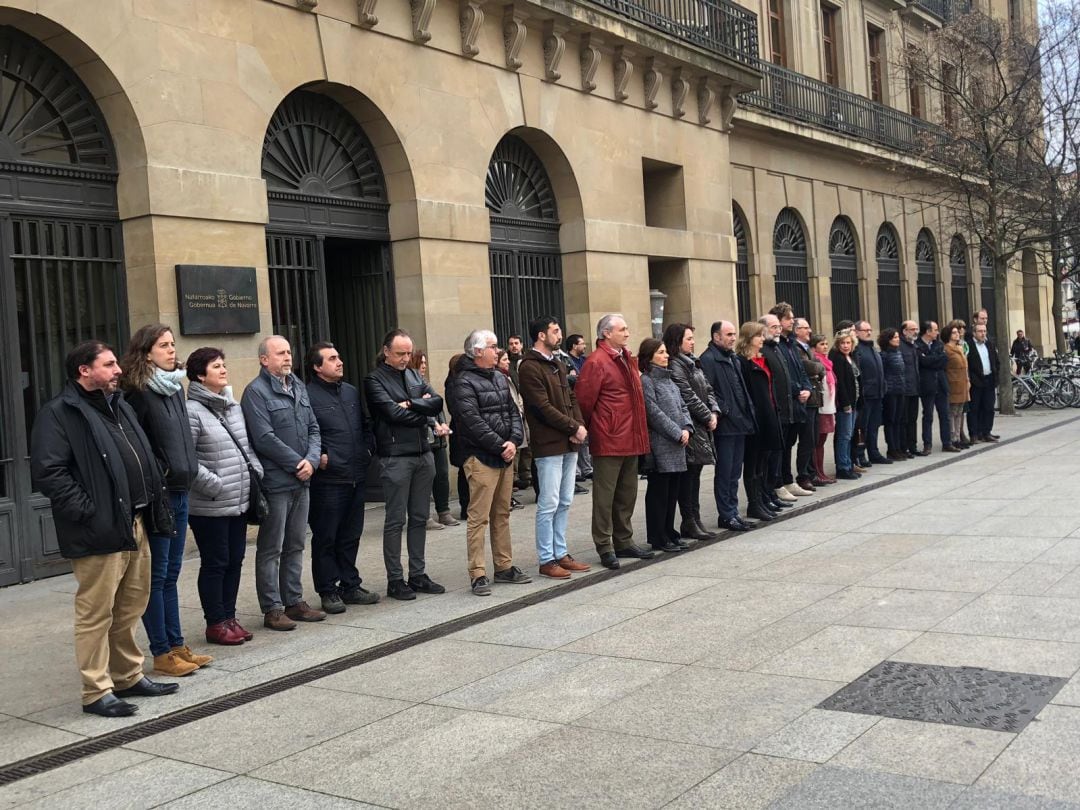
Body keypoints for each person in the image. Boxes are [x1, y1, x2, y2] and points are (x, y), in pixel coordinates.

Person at [31, 340, 178, 718]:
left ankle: (128, 674)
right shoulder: (60, 413)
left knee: (130, 605)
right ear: (84, 370)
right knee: (96, 611)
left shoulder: (119, 405)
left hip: (136, 522)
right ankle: (96, 690)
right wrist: (90, 512)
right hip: (99, 528)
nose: (118, 370)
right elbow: (49, 472)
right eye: (109, 364)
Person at [119, 324, 208, 677]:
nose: (172, 351)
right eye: (163, 345)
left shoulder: (174, 387)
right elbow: (136, 445)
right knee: (156, 576)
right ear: (145, 352)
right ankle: (160, 651)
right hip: (161, 494)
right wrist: (163, 472)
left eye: (173, 344)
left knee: (172, 572)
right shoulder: (137, 392)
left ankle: (176, 644)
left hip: (182, 488)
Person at [242, 335, 325, 630]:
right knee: (271, 547)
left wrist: (312, 461)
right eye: (280, 353)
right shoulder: (256, 392)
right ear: (265, 359)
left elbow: (314, 428)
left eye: (289, 352)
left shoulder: (298, 386)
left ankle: (294, 600)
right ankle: (272, 608)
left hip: (302, 480)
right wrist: (296, 463)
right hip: (277, 482)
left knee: (296, 543)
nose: (288, 357)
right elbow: (264, 438)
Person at [365, 329, 448, 601]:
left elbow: (436, 403)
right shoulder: (374, 380)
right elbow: (390, 414)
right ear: (386, 351)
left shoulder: (413, 375)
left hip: (423, 453)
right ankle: (395, 578)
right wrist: (421, 414)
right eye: (400, 353)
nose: (405, 358)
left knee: (420, 517)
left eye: (408, 353)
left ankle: (418, 574)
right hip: (395, 455)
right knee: (395, 520)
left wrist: (412, 404)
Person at [186, 347, 261, 646]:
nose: (223, 370)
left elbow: (246, 445)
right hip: (210, 505)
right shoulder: (192, 411)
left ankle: (230, 617)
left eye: (223, 364)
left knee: (235, 560)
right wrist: (216, 485)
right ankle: (215, 622)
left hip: (239, 501)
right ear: (200, 375)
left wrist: (255, 471)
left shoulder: (232, 405)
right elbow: (188, 462)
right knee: (215, 562)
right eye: (216, 366)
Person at [450, 330, 529, 595]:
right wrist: (499, 445)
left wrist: (514, 441)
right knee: (478, 517)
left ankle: (504, 566)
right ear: (477, 351)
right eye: (493, 347)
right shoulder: (462, 382)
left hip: (505, 454)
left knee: (502, 514)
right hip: (482, 457)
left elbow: (513, 412)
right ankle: (478, 572)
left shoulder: (499, 377)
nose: (498, 352)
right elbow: (471, 421)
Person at [304, 342, 380, 615]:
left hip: (356, 475)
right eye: (332, 359)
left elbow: (366, 425)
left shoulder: (349, 391)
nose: (339, 362)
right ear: (316, 366)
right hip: (328, 480)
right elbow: (305, 433)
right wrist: (322, 455)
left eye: (339, 357)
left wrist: (368, 450)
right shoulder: (308, 395)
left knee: (351, 535)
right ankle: (328, 589)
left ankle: (350, 584)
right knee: (326, 537)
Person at [575, 313, 654, 569]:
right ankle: (604, 545)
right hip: (610, 437)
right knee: (605, 497)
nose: (628, 333)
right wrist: (591, 430)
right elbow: (584, 402)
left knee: (626, 494)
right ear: (607, 333)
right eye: (622, 329)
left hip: (630, 435)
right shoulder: (597, 362)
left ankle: (624, 540)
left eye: (627, 328)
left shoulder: (625, 359)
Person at [518, 316, 592, 579]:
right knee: (548, 503)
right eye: (555, 330)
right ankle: (546, 558)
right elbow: (542, 407)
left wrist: (579, 426)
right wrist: (573, 428)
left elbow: (571, 398)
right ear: (541, 335)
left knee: (564, 501)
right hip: (549, 443)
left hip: (568, 441)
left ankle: (561, 552)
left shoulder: (558, 363)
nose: (560, 334)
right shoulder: (528, 367)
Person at [664, 323, 719, 542]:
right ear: (677, 341)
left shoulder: (693, 362)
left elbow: (708, 388)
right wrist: (707, 416)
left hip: (703, 424)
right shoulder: (676, 364)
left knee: (695, 474)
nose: (693, 341)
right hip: (691, 425)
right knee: (688, 476)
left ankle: (695, 519)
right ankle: (689, 520)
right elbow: (687, 394)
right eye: (688, 338)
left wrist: (714, 411)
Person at [700, 320, 756, 531]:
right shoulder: (708, 359)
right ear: (716, 337)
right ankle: (726, 515)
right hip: (726, 425)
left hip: (740, 422)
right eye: (729, 334)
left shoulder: (733, 358)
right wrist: (727, 411)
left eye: (734, 334)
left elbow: (740, 389)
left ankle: (733, 512)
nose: (733, 338)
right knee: (725, 472)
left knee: (734, 472)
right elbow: (709, 392)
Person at [640, 338, 693, 552]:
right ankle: (657, 535)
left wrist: (687, 428)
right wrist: (676, 432)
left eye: (665, 352)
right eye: (661, 353)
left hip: (679, 441)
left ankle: (669, 530)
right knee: (659, 493)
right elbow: (653, 412)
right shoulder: (647, 380)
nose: (666, 356)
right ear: (650, 356)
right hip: (662, 443)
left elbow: (683, 407)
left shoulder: (669, 380)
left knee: (673, 492)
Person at [737, 322, 783, 520]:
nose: (762, 340)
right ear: (749, 338)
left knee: (764, 461)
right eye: (759, 336)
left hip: (769, 415)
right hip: (755, 419)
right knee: (753, 462)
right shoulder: (742, 363)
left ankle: (762, 498)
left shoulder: (762, 360)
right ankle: (753, 503)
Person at [408, 349, 459, 529]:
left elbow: (437, 405)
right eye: (420, 363)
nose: (424, 367)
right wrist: (434, 423)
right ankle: (424, 516)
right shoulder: (410, 385)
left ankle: (443, 511)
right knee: (425, 479)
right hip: (424, 437)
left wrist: (442, 425)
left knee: (442, 475)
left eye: (425, 363)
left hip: (438, 437)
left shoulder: (425, 384)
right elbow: (420, 409)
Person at [770, 304, 814, 496]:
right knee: (781, 445)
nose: (792, 322)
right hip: (786, 402)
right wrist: (798, 390)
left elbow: (800, 370)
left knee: (789, 443)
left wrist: (807, 388)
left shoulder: (791, 344)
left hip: (797, 403)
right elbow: (782, 376)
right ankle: (778, 481)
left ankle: (788, 479)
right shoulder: (777, 345)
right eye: (788, 318)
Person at [759, 313, 799, 510]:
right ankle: (767, 492)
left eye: (778, 327)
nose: (778, 330)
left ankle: (771, 492)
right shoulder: (764, 351)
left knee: (777, 455)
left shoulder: (777, 349)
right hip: (773, 413)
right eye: (774, 327)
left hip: (784, 410)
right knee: (768, 458)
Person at [793, 317, 824, 491]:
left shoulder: (806, 348)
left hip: (814, 397)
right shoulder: (795, 348)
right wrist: (818, 366)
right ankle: (803, 475)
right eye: (805, 328)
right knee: (806, 439)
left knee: (813, 438)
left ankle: (811, 472)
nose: (809, 331)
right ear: (797, 330)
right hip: (806, 400)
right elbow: (808, 367)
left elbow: (817, 369)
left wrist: (817, 367)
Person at [853, 320, 889, 466]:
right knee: (863, 426)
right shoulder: (857, 349)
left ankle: (874, 452)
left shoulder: (872, 348)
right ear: (856, 332)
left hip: (878, 393)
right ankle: (861, 455)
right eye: (865, 330)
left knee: (874, 426)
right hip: (866, 395)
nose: (868, 332)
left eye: (869, 330)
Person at [915, 321, 953, 455]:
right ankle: (927, 444)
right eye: (935, 330)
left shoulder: (939, 344)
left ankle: (947, 442)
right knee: (928, 415)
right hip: (927, 385)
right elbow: (922, 362)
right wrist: (933, 360)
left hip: (941, 384)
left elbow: (943, 361)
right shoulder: (917, 345)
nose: (937, 332)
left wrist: (930, 360)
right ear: (928, 331)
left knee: (945, 414)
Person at [497, 349, 528, 511]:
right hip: (504, 430)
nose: (508, 362)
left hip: (516, 420)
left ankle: (509, 496)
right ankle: (507, 497)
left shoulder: (509, 375)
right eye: (504, 359)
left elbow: (516, 397)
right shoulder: (499, 377)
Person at [829, 330, 861, 480]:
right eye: (842, 343)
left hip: (855, 402)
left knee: (849, 435)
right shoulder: (838, 358)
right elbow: (840, 383)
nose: (846, 345)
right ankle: (842, 467)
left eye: (848, 342)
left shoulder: (851, 357)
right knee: (844, 435)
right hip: (845, 404)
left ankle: (848, 464)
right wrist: (846, 403)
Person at [564, 333, 593, 482]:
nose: (585, 346)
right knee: (578, 436)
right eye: (582, 343)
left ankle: (587, 468)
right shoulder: (567, 360)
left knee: (585, 438)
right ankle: (577, 471)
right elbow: (573, 379)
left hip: (584, 400)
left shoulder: (585, 360)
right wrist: (578, 378)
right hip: (574, 401)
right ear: (574, 346)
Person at [967, 322, 1001, 443]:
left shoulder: (989, 344)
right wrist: (972, 378)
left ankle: (986, 432)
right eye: (980, 331)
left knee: (988, 408)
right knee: (974, 409)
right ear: (974, 333)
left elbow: (996, 361)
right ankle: (974, 434)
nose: (983, 334)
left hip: (989, 379)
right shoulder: (969, 345)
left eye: (984, 331)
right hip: (976, 381)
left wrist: (995, 375)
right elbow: (967, 364)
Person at [506, 335, 531, 492]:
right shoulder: (508, 364)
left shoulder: (526, 361)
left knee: (529, 441)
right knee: (519, 440)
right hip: (517, 404)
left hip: (528, 402)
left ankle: (526, 472)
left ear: (522, 345)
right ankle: (515, 475)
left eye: (516, 343)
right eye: (511, 344)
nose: (514, 346)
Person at [878, 328, 907, 461]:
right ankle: (892, 448)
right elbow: (883, 374)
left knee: (898, 420)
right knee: (890, 420)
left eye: (897, 337)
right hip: (890, 391)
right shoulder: (884, 355)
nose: (897, 339)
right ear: (888, 340)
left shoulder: (898, 352)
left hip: (900, 389)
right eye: (895, 337)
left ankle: (898, 447)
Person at [811, 334, 837, 485]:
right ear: (814, 347)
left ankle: (821, 471)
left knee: (822, 441)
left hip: (829, 406)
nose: (825, 347)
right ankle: (817, 472)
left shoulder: (828, 362)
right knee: (817, 441)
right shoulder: (816, 361)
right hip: (821, 406)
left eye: (827, 344)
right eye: (822, 344)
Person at [943, 324, 970, 451]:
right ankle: (952, 438)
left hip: (963, 383)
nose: (957, 334)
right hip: (953, 383)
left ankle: (958, 437)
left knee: (960, 412)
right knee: (952, 412)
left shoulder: (959, 348)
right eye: (954, 333)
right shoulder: (947, 349)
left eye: (957, 332)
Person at [899, 320, 921, 459]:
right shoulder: (900, 346)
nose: (915, 332)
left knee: (913, 419)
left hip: (914, 388)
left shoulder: (913, 346)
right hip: (904, 389)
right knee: (904, 420)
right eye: (912, 329)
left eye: (916, 329)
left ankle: (913, 446)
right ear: (904, 331)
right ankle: (904, 446)